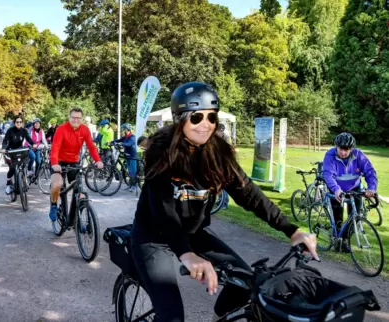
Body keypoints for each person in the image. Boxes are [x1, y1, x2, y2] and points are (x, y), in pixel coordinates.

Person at [129, 82, 318, 322]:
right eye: (196, 117)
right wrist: (186, 253)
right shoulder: (160, 151)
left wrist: (291, 231)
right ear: (180, 119)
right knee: (172, 316)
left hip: (192, 233)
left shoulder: (218, 153)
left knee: (246, 283)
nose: (205, 124)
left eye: (212, 117)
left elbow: (248, 193)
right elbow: (163, 210)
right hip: (153, 237)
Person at [322, 132, 378, 252]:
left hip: (354, 187)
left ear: (352, 149)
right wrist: (336, 190)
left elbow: (370, 172)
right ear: (336, 146)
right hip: (336, 187)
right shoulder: (330, 155)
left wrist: (371, 188)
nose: (343, 152)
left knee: (356, 215)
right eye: (341, 149)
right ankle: (336, 239)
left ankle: (345, 239)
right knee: (338, 216)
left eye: (347, 150)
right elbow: (328, 174)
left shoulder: (359, 155)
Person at [49, 107, 104, 225]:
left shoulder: (85, 130)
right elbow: (55, 147)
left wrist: (98, 160)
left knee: (78, 189)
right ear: (69, 117)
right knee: (57, 184)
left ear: (82, 119)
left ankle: (74, 217)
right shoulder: (61, 129)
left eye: (78, 118)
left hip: (74, 161)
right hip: (59, 161)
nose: (76, 120)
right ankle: (53, 204)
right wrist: (54, 163)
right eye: (73, 117)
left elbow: (91, 147)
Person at [0, 115, 37, 194]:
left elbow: (29, 139)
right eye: (17, 122)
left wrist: (33, 144)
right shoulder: (10, 130)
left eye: (20, 122)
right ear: (14, 123)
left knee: (28, 159)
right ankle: (8, 184)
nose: (19, 123)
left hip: (20, 149)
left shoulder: (24, 130)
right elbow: (5, 140)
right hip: (11, 150)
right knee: (12, 168)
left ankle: (24, 175)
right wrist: (3, 148)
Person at [112, 123, 137, 191]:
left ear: (127, 129)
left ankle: (135, 186)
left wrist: (122, 144)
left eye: (124, 129)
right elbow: (118, 140)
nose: (123, 130)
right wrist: (111, 142)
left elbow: (128, 144)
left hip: (132, 156)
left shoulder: (132, 137)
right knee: (129, 171)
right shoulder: (125, 136)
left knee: (133, 171)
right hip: (127, 156)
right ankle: (131, 185)